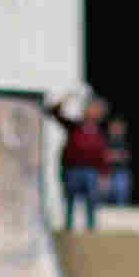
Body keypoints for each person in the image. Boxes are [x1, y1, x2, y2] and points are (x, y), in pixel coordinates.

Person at [45, 92, 109, 230]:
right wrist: (66, 99)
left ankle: (91, 227)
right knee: (70, 199)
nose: (94, 112)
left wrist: (104, 175)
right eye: (92, 108)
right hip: (72, 169)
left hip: (91, 171)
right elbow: (52, 112)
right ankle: (68, 226)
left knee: (91, 200)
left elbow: (102, 155)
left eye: (97, 109)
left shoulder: (100, 131)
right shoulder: (75, 126)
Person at [105, 116, 132, 206]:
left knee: (121, 193)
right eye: (114, 127)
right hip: (106, 172)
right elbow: (103, 156)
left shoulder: (125, 141)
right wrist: (115, 155)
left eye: (119, 127)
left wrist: (114, 155)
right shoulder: (105, 140)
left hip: (121, 172)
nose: (116, 129)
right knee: (104, 196)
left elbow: (126, 157)